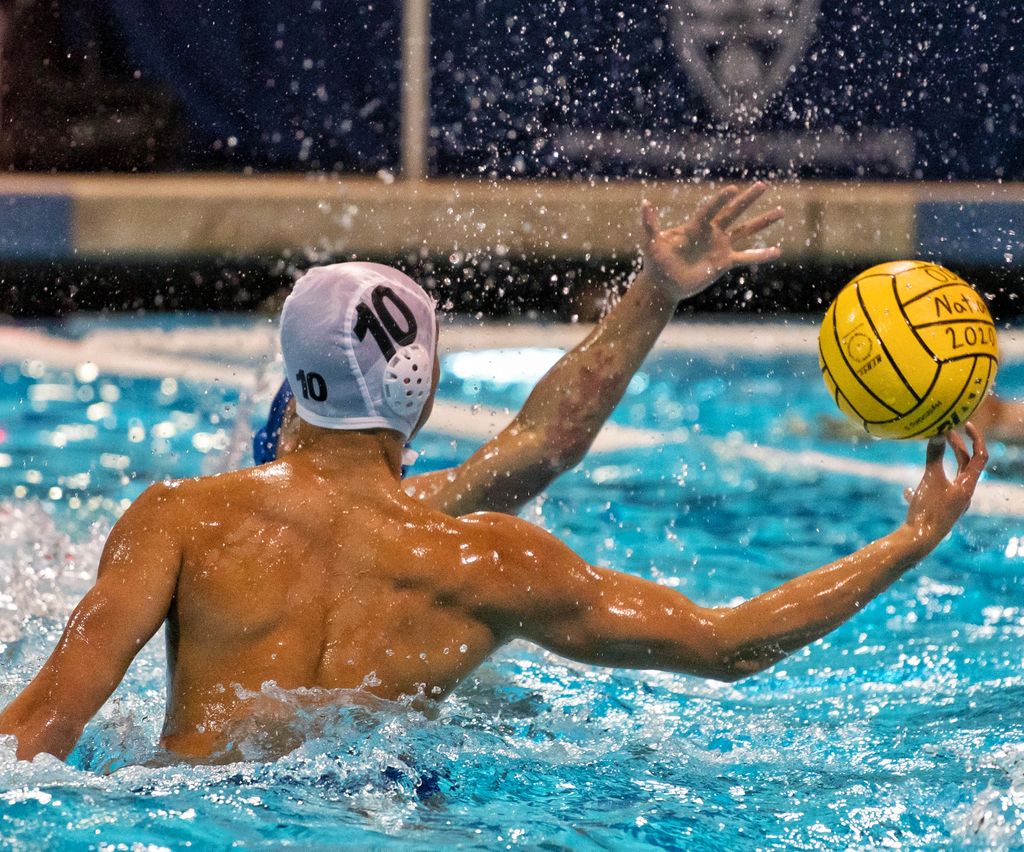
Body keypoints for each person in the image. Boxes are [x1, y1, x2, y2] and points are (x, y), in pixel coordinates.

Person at [0, 198, 987, 764]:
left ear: (289, 395)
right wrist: (911, 538)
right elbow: (726, 646)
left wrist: (652, 293)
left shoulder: (179, 518)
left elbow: (37, 734)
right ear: (420, 401)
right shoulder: (486, 557)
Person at [254, 183, 786, 515]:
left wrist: (658, 291)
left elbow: (546, 440)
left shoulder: (198, 527)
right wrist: (656, 294)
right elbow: (547, 440)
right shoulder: (414, 527)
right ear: (410, 389)